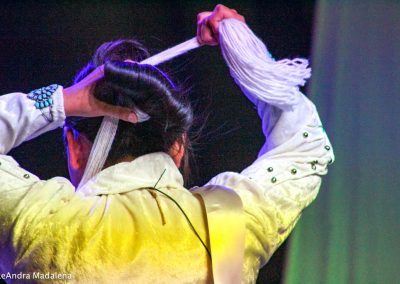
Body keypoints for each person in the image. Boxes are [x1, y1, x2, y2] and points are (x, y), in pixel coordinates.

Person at [0, 4, 333, 284]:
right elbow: (307, 144)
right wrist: (245, 51)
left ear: (74, 146)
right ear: (179, 145)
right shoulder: (229, 221)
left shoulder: (42, 224)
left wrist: (62, 101)